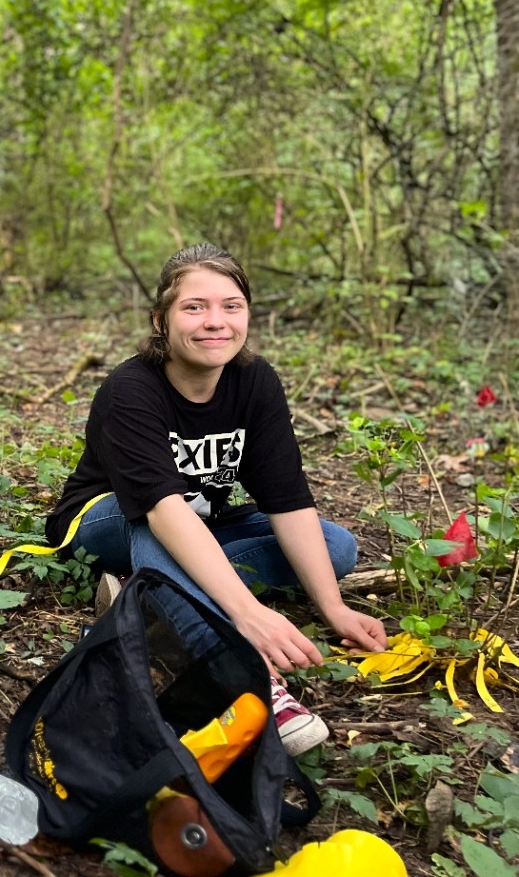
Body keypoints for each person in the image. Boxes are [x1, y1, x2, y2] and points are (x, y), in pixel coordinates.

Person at [45, 243, 386, 756]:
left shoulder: (254, 382)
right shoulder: (130, 389)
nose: (215, 322)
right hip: (104, 520)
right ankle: (241, 673)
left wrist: (333, 608)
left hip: (198, 520)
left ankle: (145, 589)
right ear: (161, 320)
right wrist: (247, 615)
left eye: (231, 305)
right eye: (194, 307)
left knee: (335, 548)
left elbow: (288, 500)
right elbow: (163, 512)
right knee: (156, 522)